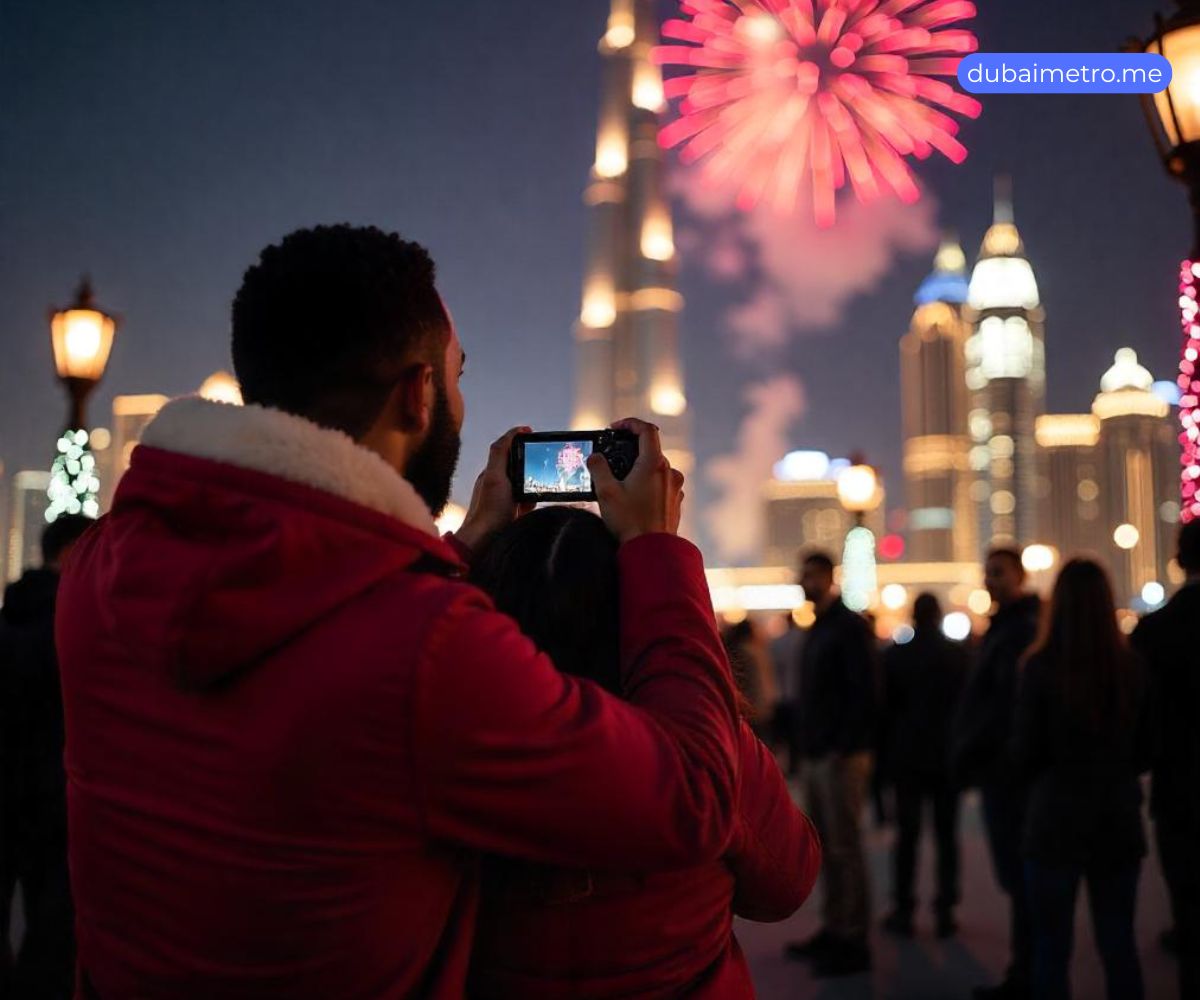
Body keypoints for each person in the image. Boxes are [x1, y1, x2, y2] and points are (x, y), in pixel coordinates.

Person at [55, 225, 741, 998]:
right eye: (456, 377)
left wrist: (462, 549)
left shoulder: (97, 573)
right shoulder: (429, 647)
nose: (457, 399)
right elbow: (692, 800)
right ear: (418, 395)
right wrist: (654, 552)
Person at [467, 505, 821, 998]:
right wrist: (656, 552)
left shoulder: (448, 737)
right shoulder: (704, 743)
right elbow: (788, 882)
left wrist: (465, 544)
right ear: (629, 606)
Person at [1011, 558, 1154, 1000]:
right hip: (1115, 817)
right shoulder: (1131, 668)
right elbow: (1148, 750)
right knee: (1118, 944)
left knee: (1052, 949)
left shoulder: (1038, 668)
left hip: (1054, 818)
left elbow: (1024, 753)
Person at [0, 514, 93, 1000]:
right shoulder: (74, 623)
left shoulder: (12, 611)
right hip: (56, 800)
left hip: (12, 794)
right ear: (70, 553)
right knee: (53, 934)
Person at [784, 550, 878, 977]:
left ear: (828, 577)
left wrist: (842, 745)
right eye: (802, 575)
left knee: (845, 846)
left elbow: (866, 693)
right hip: (822, 753)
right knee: (827, 848)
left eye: (810, 575)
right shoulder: (823, 626)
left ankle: (853, 938)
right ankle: (834, 927)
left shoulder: (846, 627)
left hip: (840, 756)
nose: (804, 582)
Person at [953, 547, 1041, 1000]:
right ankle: (1026, 971)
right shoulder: (1008, 627)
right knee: (1018, 879)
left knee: (1023, 878)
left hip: (1007, 773)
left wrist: (976, 746)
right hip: (1000, 770)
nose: (991, 581)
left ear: (1020, 577)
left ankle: (1028, 975)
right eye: (987, 573)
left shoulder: (1019, 629)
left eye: (999, 573)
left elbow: (1004, 705)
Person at [1132, 520, 1200, 1000]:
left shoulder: (1155, 631)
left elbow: (1138, 715)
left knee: (1190, 906)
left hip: (1180, 787)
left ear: (1179, 561)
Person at [880, 593, 968, 939]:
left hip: (908, 757)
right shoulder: (958, 656)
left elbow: (885, 711)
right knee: (947, 836)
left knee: (907, 837)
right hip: (946, 756)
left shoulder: (895, 657)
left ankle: (904, 908)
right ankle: (945, 909)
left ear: (914, 617)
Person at [721, 619, 778, 738]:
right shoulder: (752, 652)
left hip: (750, 705)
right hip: (757, 706)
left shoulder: (741, 651)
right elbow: (761, 681)